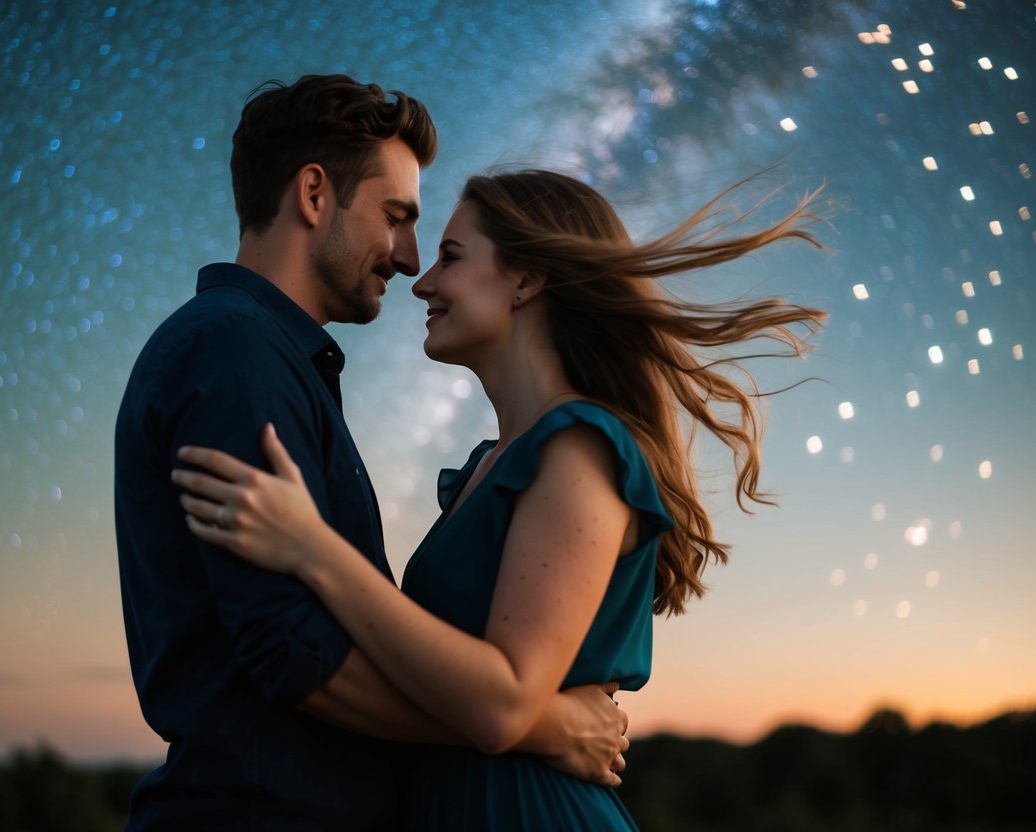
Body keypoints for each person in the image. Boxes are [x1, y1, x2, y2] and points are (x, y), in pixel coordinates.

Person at [172, 168, 829, 830]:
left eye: (450, 258)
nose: (421, 281)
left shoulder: (578, 449)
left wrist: (312, 549)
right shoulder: (490, 467)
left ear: (525, 279)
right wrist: (559, 725)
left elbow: (502, 704)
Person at [115, 77, 631, 831]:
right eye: (396, 217)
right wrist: (541, 726)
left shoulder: (267, 360)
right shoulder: (235, 353)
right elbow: (295, 654)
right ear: (314, 194)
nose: (409, 257)